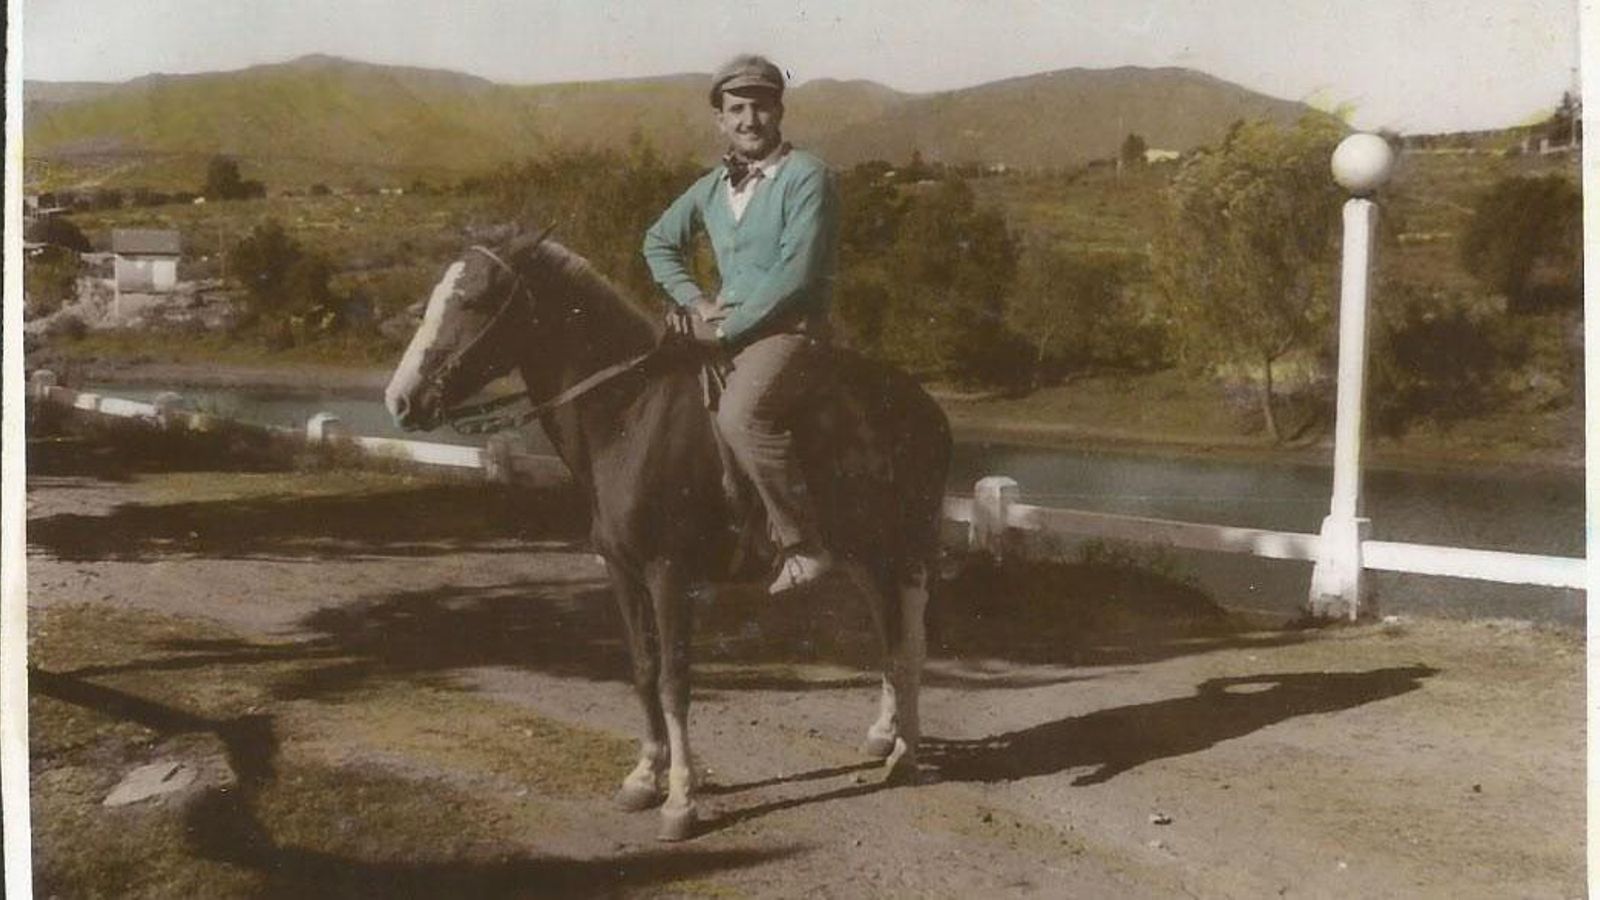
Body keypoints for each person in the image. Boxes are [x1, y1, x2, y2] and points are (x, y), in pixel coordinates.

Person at [642, 54, 841, 594]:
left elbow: (794, 276)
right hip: (726, 330)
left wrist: (724, 331)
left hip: (788, 333)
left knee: (741, 417)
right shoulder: (710, 188)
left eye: (760, 106)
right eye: (737, 109)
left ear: (779, 111)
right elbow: (658, 242)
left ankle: (803, 545)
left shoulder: (807, 176)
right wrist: (693, 300)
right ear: (720, 119)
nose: (749, 119)